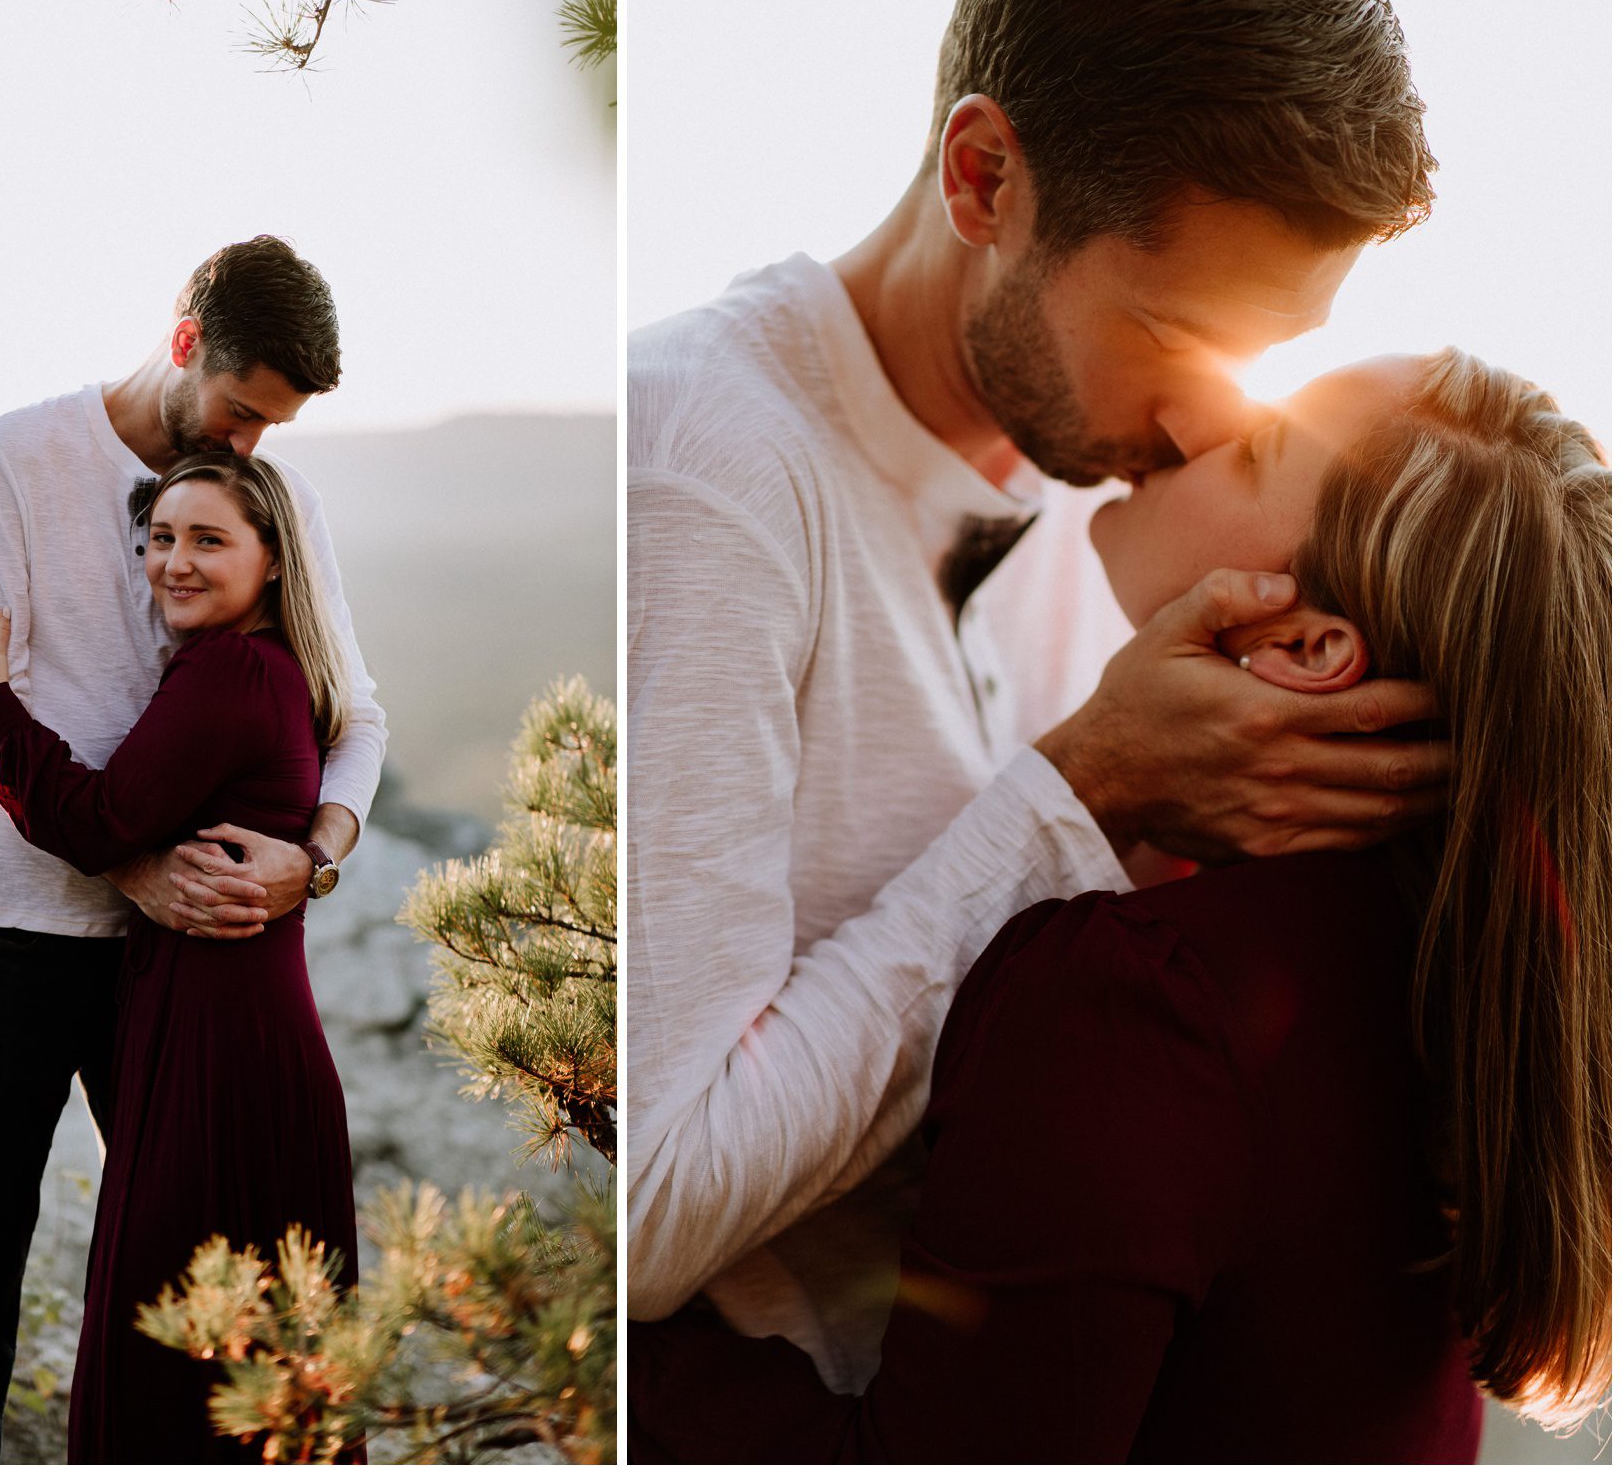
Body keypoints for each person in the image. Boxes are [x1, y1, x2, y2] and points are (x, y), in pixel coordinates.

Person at [627, 0, 1446, 1386]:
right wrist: (1081, 789)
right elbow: (645, 1205)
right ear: (985, 179)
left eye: (1263, 357)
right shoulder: (706, 472)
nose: (1208, 418)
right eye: (1175, 330)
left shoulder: (1108, 507)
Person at [633, 348, 1613, 1459]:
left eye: (1258, 446)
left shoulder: (1133, 997)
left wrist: (619, 1343)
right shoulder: (1461, 969)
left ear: (1303, 648)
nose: (1195, 408)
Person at [0, 236, 386, 1462]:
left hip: (173, 975)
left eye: (270, 427)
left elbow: (356, 713)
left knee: (196, 1277)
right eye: (236, 411)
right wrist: (129, 864)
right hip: (12, 929)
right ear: (184, 345)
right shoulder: (12, 457)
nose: (244, 447)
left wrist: (313, 861)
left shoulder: (274, 504)